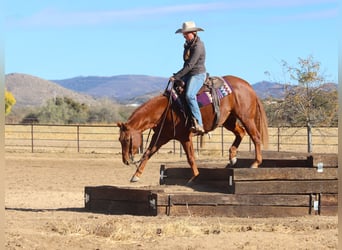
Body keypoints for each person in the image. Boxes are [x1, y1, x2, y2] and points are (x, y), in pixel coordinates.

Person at [169, 21, 206, 134]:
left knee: (189, 95)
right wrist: (178, 77)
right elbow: (186, 64)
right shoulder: (187, 45)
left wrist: (177, 76)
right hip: (188, 74)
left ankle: (199, 123)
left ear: (194, 32)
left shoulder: (198, 46)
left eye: (187, 33)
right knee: (172, 91)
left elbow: (190, 65)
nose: (184, 35)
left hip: (197, 74)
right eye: (184, 34)